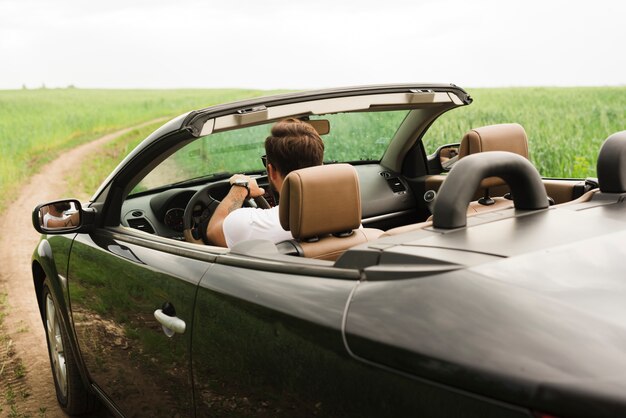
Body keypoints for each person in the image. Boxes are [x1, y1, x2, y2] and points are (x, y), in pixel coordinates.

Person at [205, 118, 324, 247]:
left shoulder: (253, 224)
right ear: (321, 165)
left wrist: (240, 188)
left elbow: (213, 232)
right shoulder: (346, 212)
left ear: (271, 171)